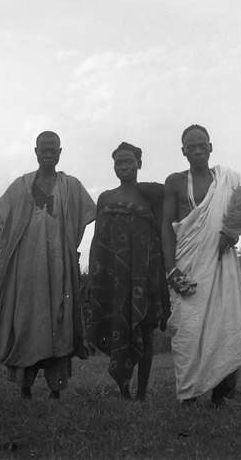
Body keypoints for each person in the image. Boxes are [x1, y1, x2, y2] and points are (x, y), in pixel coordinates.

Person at [0, 131, 96, 400]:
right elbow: (3, 218)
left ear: (60, 152)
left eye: (53, 150)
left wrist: (70, 246)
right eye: (43, 149)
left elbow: (85, 216)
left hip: (59, 266)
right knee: (26, 319)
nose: (48, 153)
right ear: (35, 152)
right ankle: (24, 387)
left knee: (58, 319)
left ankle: (55, 389)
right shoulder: (20, 186)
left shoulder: (71, 185)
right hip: (26, 270)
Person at [162, 125, 241, 407]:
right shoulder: (175, 182)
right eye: (191, 147)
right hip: (187, 266)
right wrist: (171, 270)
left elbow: (238, 218)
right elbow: (166, 226)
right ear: (183, 151)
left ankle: (220, 396)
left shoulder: (228, 179)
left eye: (201, 146)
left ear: (210, 147)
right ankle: (189, 393)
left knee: (225, 324)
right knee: (187, 328)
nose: (197, 151)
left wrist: (231, 234)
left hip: (221, 263)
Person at [85, 142, 169, 400]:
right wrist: (93, 277)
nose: (123, 166)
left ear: (139, 164)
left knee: (145, 329)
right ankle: (123, 390)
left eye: (129, 161)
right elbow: (99, 238)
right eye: (118, 163)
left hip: (144, 272)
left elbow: (161, 231)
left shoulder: (150, 196)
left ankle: (141, 393)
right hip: (112, 275)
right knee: (116, 325)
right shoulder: (106, 197)